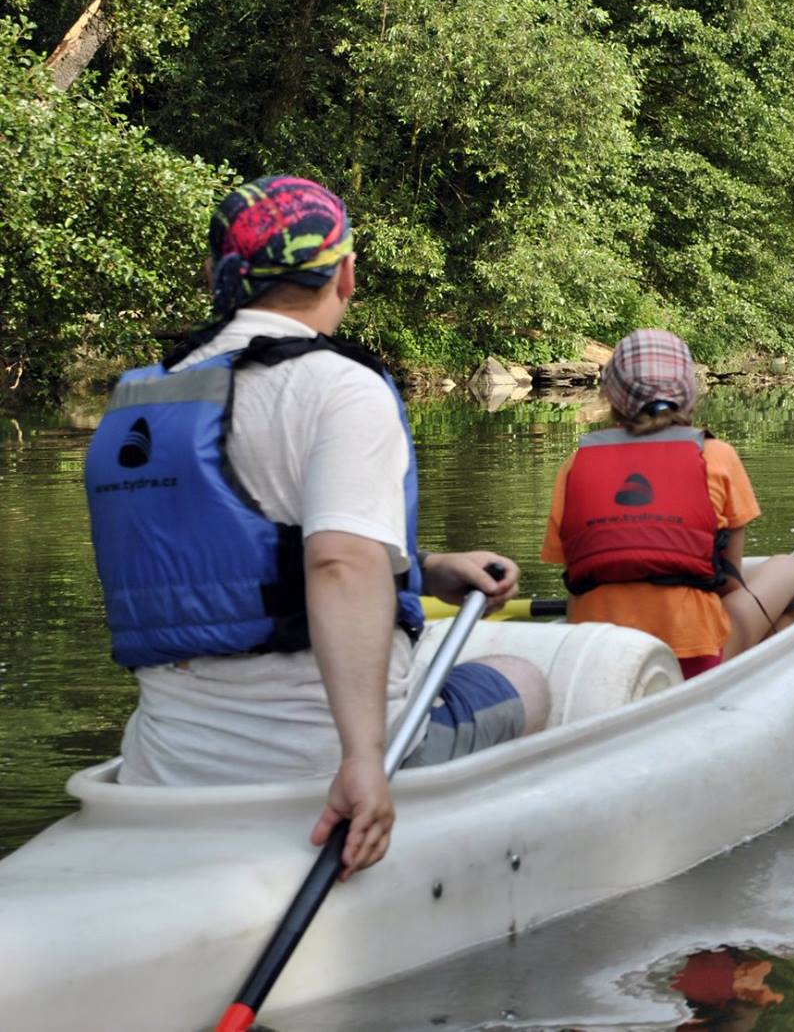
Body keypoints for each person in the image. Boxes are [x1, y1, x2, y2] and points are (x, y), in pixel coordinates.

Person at [83, 176, 551, 880]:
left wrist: (421, 568)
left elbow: (239, 556)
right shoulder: (340, 386)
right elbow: (337, 564)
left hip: (165, 763)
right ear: (347, 274)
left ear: (217, 276)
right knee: (525, 677)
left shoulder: (137, 401)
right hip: (314, 762)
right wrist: (363, 759)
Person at [539, 329, 794, 674]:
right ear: (690, 394)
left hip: (596, 660)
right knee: (789, 570)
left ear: (612, 397)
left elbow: (575, 572)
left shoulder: (575, 465)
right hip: (694, 659)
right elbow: (727, 581)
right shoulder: (717, 456)